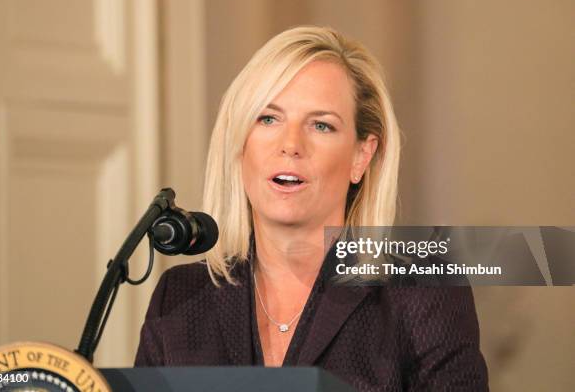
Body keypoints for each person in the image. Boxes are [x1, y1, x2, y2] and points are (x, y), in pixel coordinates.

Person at [135, 26, 489, 391]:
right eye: (268, 119)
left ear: (360, 156)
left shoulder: (423, 288)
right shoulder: (179, 297)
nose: (291, 144)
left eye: (321, 125)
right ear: (240, 142)